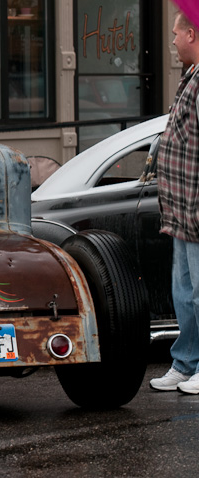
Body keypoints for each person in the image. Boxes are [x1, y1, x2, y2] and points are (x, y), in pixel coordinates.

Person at [150, 11, 199, 395]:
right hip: (181, 211)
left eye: (176, 34)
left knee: (197, 292)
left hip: (195, 210)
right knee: (183, 292)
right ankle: (185, 363)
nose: (173, 41)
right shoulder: (191, 77)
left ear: (192, 34)